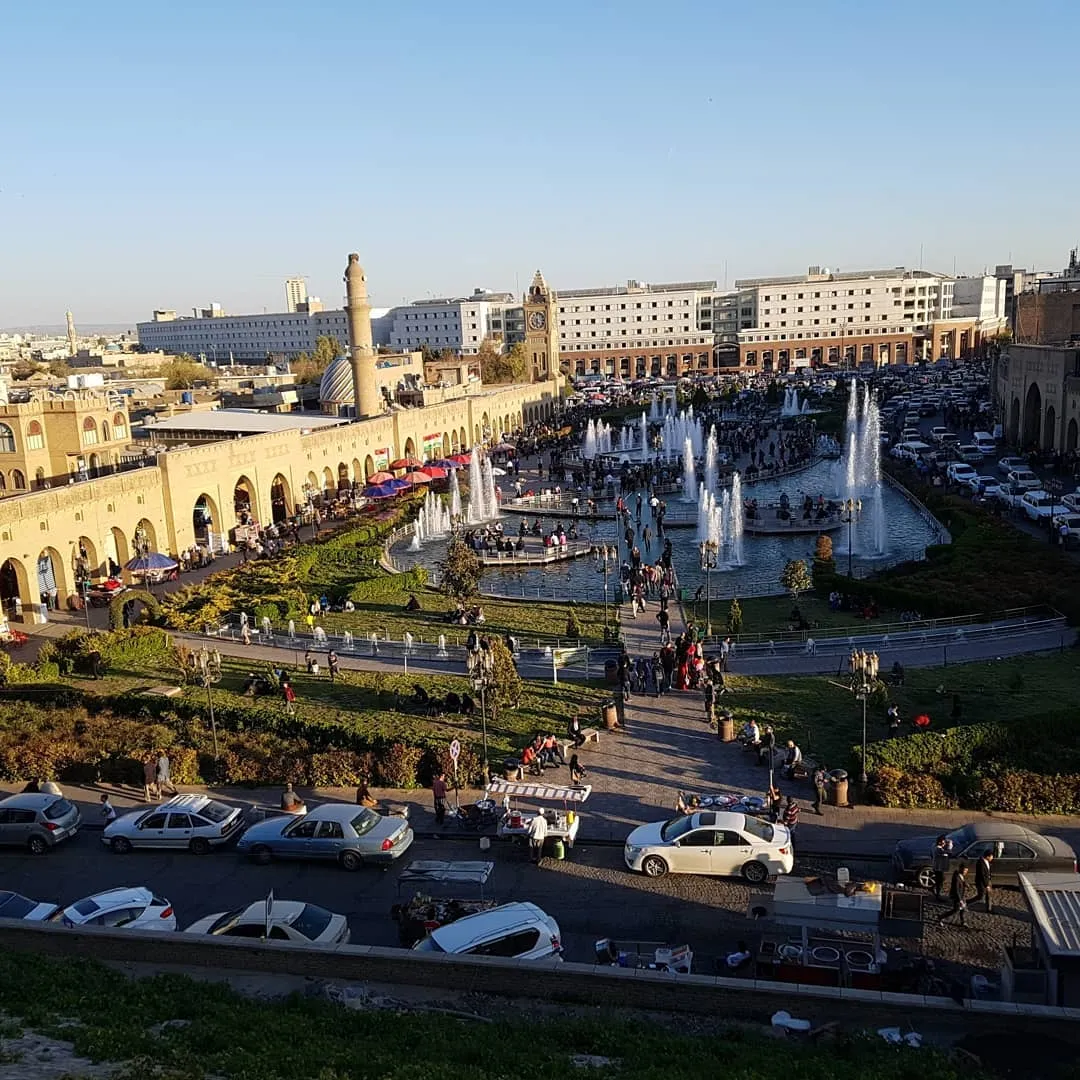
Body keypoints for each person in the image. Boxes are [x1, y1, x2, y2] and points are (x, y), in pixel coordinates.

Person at [938, 863, 969, 928]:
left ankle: (963, 922)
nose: (965, 872)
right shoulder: (957, 878)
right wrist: (960, 900)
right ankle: (941, 917)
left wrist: (965, 884)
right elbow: (956, 889)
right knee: (956, 910)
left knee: (963, 909)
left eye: (966, 871)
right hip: (957, 897)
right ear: (961, 869)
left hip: (962, 895)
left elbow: (962, 882)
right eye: (965, 870)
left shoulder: (960, 875)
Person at [932, 834, 954, 899]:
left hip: (937, 867)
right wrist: (950, 846)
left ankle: (935, 889)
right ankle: (937, 893)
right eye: (943, 842)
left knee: (940, 879)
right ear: (940, 842)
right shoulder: (938, 849)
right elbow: (948, 853)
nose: (944, 843)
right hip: (938, 868)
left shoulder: (934, 846)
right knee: (940, 881)